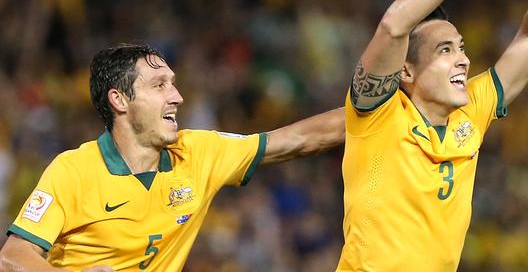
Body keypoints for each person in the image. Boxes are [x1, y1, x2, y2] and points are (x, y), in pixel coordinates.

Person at [337, 0, 528, 271]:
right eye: (445, 51)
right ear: (406, 71)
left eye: (461, 47)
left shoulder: (471, 112)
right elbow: (393, 25)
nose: (463, 59)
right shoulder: (376, 115)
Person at [0, 43, 345, 271]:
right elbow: (13, 256)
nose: (177, 96)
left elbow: (300, 140)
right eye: (159, 85)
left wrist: (387, 108)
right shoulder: (73, 171)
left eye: (174, 84)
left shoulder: (197, 152)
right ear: (120, 100)